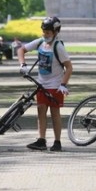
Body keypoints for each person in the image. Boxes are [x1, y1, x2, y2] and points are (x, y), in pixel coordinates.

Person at [16, 16, 73, 152]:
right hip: (41, 84)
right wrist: (22, 64)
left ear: (55, 32)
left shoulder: (58, 47)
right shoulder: (40, 42)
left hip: (55, 85)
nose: (45, 34)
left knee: (54, 113)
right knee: (41, 111)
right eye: (44, 32)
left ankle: (57, 142)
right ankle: (41, 140)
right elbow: (21, 50)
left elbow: (69, 67)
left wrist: (63, 84)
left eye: (48, 32)